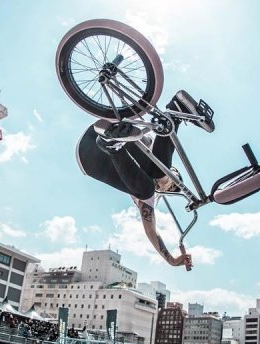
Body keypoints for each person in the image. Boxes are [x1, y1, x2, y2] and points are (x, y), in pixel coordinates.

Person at [75, 90, 215, 268]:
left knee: (147, 189)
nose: (170, 184)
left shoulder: (147, 197)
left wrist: (171, 260)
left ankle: (112, 145)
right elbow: (153, 136)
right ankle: (175, 111)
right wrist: (163, 125)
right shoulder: (152, 155)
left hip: (89, 158)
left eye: (170, 188)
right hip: (101, 130)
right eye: (173, 181)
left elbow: (151, 231)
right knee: (157, 168)